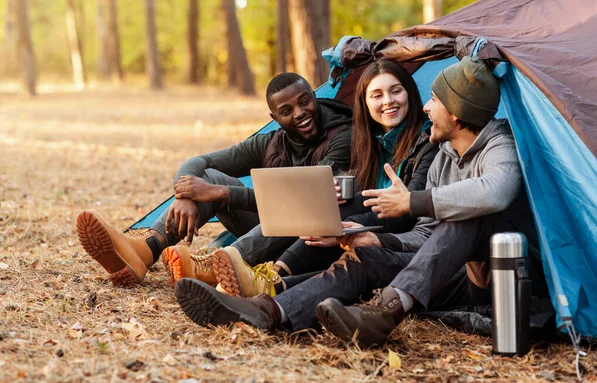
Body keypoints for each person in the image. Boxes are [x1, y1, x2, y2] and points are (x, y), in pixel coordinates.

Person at [173, 57, 547, 347]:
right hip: (434, 270)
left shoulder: (500, 144)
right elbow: (425, 235)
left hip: (491, 279)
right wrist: (375, 239)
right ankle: (267, 306)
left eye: (433, 99)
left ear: (456, 110)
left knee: (470, 216)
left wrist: (413, 201)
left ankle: (386, 309)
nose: (427, 107)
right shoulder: (443, 153)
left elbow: (495, 192)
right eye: (376, 95)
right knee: (366, 254)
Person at [176, 59, 439, 298]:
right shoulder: (368, 141)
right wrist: (184, 191)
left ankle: (263, 275)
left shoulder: (423, 141)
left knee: (318, 204)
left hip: (387, 236)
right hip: (341, 229)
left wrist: (344, 226)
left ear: (410, 93)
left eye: (396, 91)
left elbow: (407, 209)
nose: (388, 102)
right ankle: (153, 245)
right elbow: (203, 162)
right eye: (377, 95)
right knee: (322, 202)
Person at [76, 72, 353, 288]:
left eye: (305, 101)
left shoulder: (342, 135)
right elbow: (200, 162)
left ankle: (215, 265)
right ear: (275, 117)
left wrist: (220, 193)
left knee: (297, 208)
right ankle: (146, 250)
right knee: (205, 177)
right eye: (287, 110)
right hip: (268, 233)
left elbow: (311, 197)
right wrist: (187, 193)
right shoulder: (272, 142)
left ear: (314, 98)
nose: (300, 113)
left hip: (314, 243)